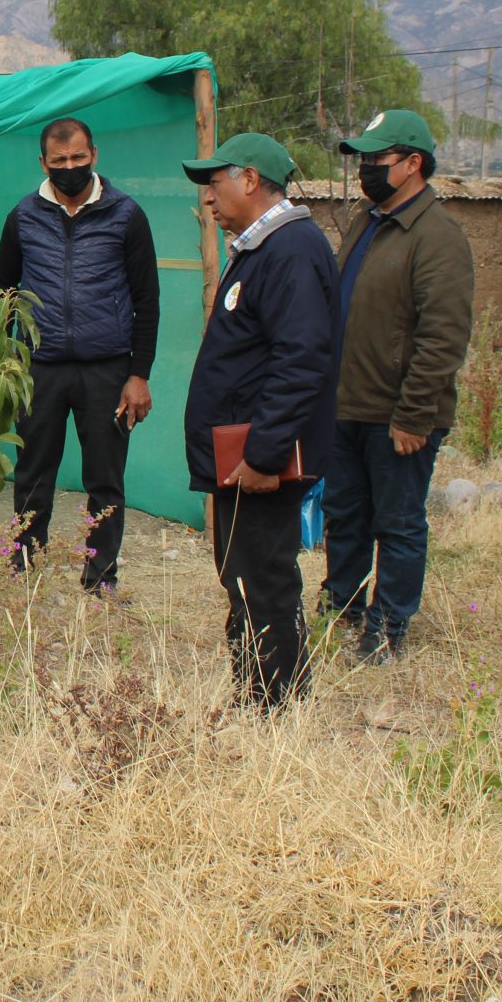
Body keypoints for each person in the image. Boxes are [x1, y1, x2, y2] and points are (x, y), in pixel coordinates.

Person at [179, 133, 337, 709]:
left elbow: (301, 361)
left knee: (263, 578)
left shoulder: (291, 250)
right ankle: (260, 697)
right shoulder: (263, 248)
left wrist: (266, 452)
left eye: (215, 184)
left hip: (258, 461)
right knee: (244, 576)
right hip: (241, 457)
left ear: (249, 179)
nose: (209, 200)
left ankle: (276, 708)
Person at [324, 110, 475, 664]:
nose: (366, 169)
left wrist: (414, 414)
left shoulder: (437, 237)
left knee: (398, 522)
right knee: (345, 515)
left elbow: (443, 338)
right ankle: (343, 606)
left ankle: (387, 628)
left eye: (377, 160)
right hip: (347, 405)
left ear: (413, 164)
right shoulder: (370, 220)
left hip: (398, 417)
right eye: (362, 159)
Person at [0, 117, 160, 597]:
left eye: (78, 158)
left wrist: (138, 374)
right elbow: (1, 292)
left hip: (107, 368)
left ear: (94, 155)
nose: (70, 168)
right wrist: (7, 362)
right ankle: (26, 572)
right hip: (39, 369)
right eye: (59, 160)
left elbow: (148, 300)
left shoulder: (126, 215)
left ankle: (101, 579)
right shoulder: (23, 216)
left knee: (105, 481)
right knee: (33, 476)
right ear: (43, 163)